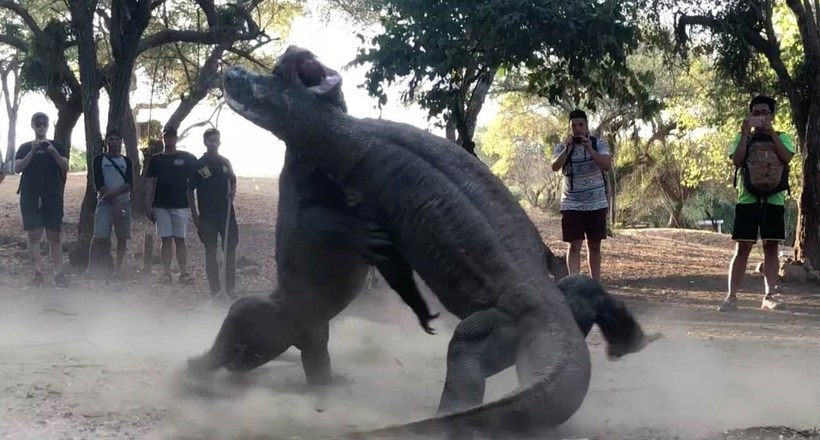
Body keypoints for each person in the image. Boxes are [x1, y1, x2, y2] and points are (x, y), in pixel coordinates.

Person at [719, 95, 795, 312]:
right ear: (750, 115)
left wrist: (771, 134)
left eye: (765, 113)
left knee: (771, 248)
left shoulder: (783, 137)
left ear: (772, 115)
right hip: (747, 199)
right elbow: (737, 160)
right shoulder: (741, 137)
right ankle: (731, 296)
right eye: (756, 113)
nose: (760, 117)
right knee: (742, 248)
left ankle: (770, 295)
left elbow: (787, 157)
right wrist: (744, 134)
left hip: (775, 199)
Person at [551, 109, 612, 281]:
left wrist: (590, 150)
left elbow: (606, 165)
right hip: (572, 202)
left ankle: (595, 284)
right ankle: (574, 283)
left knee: (594, 245)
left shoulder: (598, 143)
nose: (577, 129)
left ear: (587, 126)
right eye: (574, 126)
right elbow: (555, 167)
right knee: (574, 244)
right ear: (569, 127)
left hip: (596, 202)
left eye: (581, 125)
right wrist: (567, 150)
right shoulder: (562, 147)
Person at [14, 112, 70, 287]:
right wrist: (32, 151)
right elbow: (17, 168)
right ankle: (37, 273)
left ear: (48, 126)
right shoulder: (24, 147)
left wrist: (51, 150)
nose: (41, 127)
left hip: (52, 196)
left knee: (54, 235)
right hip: (30, 196)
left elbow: (65, 165)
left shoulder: (57, 146)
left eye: (44, 124)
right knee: (34, 235)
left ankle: (58, 273)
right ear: (32, 126)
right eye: (38, 124)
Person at [187, 128, 239, 298]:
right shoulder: (198, 165)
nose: (214, 143)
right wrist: (195, 215)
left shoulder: (225, 162)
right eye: (211, 140)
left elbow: (233, 181)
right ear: (205, 142)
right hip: (207, 216)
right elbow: (189, 191)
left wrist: (232, 194)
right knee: (211, 252)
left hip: (226, 216)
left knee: (229, 251)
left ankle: (229, 289)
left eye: (216, 140)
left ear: (220, 142)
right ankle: (215, 290)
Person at [144, 126, 198, 284]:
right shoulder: (156, 159)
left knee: (180, 239)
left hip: (181, 205)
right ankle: (166, 273)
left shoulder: (187, 158)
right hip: (161, 205)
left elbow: (200, 172)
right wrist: (148, 204)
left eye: (173, 137)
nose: (170, 139)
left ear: (176, 139)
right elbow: (150, 183)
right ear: (163, 138)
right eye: (167, 136)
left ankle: (183, 273)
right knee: (165, 239)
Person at [90, 130, 133, 275]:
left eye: (117, 139)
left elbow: (129, 183)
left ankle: (119, 268)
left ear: (121, 142)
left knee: (122, 236)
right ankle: (93, 267)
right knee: (99, 235)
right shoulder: (98, 159)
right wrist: (110, 198)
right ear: (106, 142)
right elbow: (99, 182)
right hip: (104, 203)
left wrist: (115, 197)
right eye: (111, 139)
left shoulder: (126, 161)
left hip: (123, 202)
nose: (114, 142)